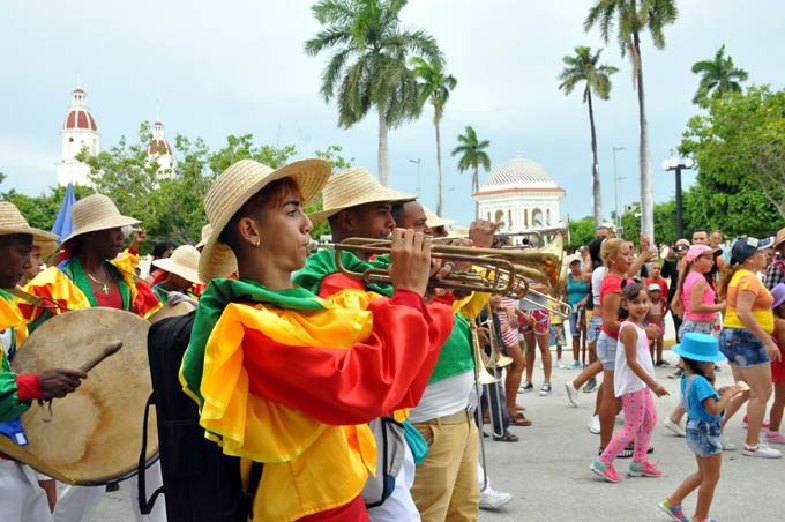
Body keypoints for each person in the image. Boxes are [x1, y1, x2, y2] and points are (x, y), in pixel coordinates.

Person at [181, 159, 454, 521]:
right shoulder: (249, 326)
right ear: (250, 230)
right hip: (306, 511)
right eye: (292, 211)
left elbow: (402, 384)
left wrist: (429, 300)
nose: (308, 224)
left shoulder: (311, 309)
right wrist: (407, 295)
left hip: (342, 499)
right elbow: (359, 390)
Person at [295, 169, 470, 521]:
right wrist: (421, 295)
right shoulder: (334, 284)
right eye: (381, 213)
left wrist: (431, 293)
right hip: (362, 442)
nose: (392, 223)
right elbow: (393, 365)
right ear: (348, 219)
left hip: (384, 436)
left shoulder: (369, 274)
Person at [20, 194, 163, 522]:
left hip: (126, 395)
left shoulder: (125, 280)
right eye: (111, 230)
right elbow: (28, 342)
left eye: (120, 229)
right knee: (83, 483)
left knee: (149, 470)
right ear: (87, 236)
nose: (120, 237)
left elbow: (145, 327)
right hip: (77, 402)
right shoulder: (53, 283)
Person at [0, 202, 88, 522]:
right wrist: (36, 384)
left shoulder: (7, 305)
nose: (27, 264)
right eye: (21, 252)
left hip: (13, 447)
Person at [658, 333, 745, 522]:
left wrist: (717, 392)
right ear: (703, 363)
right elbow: (713, 410)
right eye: (711, 363)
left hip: (694, 429)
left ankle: (673, 502)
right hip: (706, 432)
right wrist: (729, 395)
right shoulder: (701, 381)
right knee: (711, 479)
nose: (712, 366)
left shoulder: (687, 378)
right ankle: (700, 517)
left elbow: (700, 400)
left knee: (702, 474)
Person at [590, 283, 667, 483]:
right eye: (636, 303)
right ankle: (603, 462)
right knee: (632, 426)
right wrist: (654, 385)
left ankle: (639, 462)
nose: (642, 306)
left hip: (640, 383)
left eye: (644, 301)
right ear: (625, 304)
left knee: (650, 420)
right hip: (634, 384)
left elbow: (640, 355)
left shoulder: (638, 328)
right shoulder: (629, 329)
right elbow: (632, 362)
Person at [716, 236, 781, 457]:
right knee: (761, 394)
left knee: (743, 390)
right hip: (747, 339)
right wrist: (767, 339)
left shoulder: (741, 276)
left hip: (736, 336)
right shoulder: (749, 280)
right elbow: (744, 313)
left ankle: (716, 428)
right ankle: (752, 444)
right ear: (751, 259)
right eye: (762, 252)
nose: (767, 254)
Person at [664, 245, 726, 439]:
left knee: (696, 376)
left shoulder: (690, 277)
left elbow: (683, 305)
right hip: (697, 329)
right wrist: (721, 306)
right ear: (695, 260)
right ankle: (692, 417)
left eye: (711, 258)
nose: (711, 262)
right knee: (702, 377)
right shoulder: (698, 279)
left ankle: (682, 416)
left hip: (695, 328)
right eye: (706, 258)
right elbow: (696, 306)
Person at [766, 283, 785, 445]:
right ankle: (773, 431)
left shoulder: (772, 319)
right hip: (782, 364)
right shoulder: (781, 324)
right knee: (781, 399)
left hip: (777, 363)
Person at [564, 257, 589, 369]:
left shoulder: (585, 276)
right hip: (572, 308)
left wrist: (584, 301)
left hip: (585, 307)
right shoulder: (567, 278)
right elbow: (564, 292)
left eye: (577, 264)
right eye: (572, 265)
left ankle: (588, 358)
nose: (574, 267)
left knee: (587, 333)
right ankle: (576, 359)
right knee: (575, 334)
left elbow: (591, 291)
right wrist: (563, 307)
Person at [645, 283, 666, 365]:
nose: (655, 293)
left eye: (657, 291)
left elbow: (666, 307)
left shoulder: (661, 302)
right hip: (650, 323)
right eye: (653, 291)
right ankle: (650, 359)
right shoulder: (648, 303)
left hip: (659, 323)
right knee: (651, 342)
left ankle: (659, 359)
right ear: (649, 293)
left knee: (660, 342)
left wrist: (663, 313)